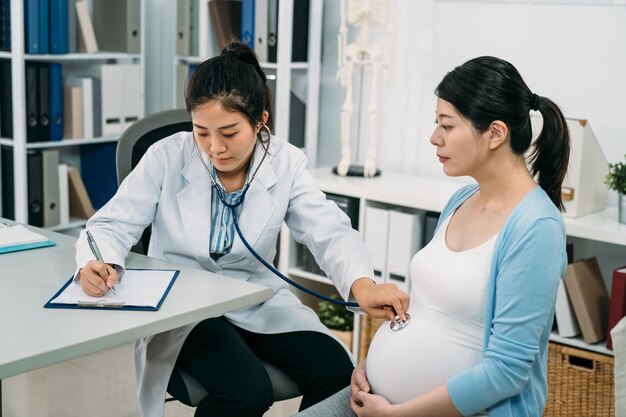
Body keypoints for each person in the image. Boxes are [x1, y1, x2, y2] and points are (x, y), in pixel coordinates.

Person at [74, 41, 409, 417]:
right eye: (202, 132)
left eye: (229, 133)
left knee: (336, 372)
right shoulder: (167, 156)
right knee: (247, 390)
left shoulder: (285, 163)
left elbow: (327, 228)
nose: (215, 147)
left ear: (260, 120)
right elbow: (112, 224)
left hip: (255, 300)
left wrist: (362, 284)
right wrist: (97, 262)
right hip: (185, 307)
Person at [293, 56, 570, 417]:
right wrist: (372, 368)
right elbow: (429, 312)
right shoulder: (461, 200)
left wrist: (395, 413)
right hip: (378, 399)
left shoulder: (536, 228)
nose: (434, 137)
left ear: (496, 134)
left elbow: (506, 373)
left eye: (447, 125)